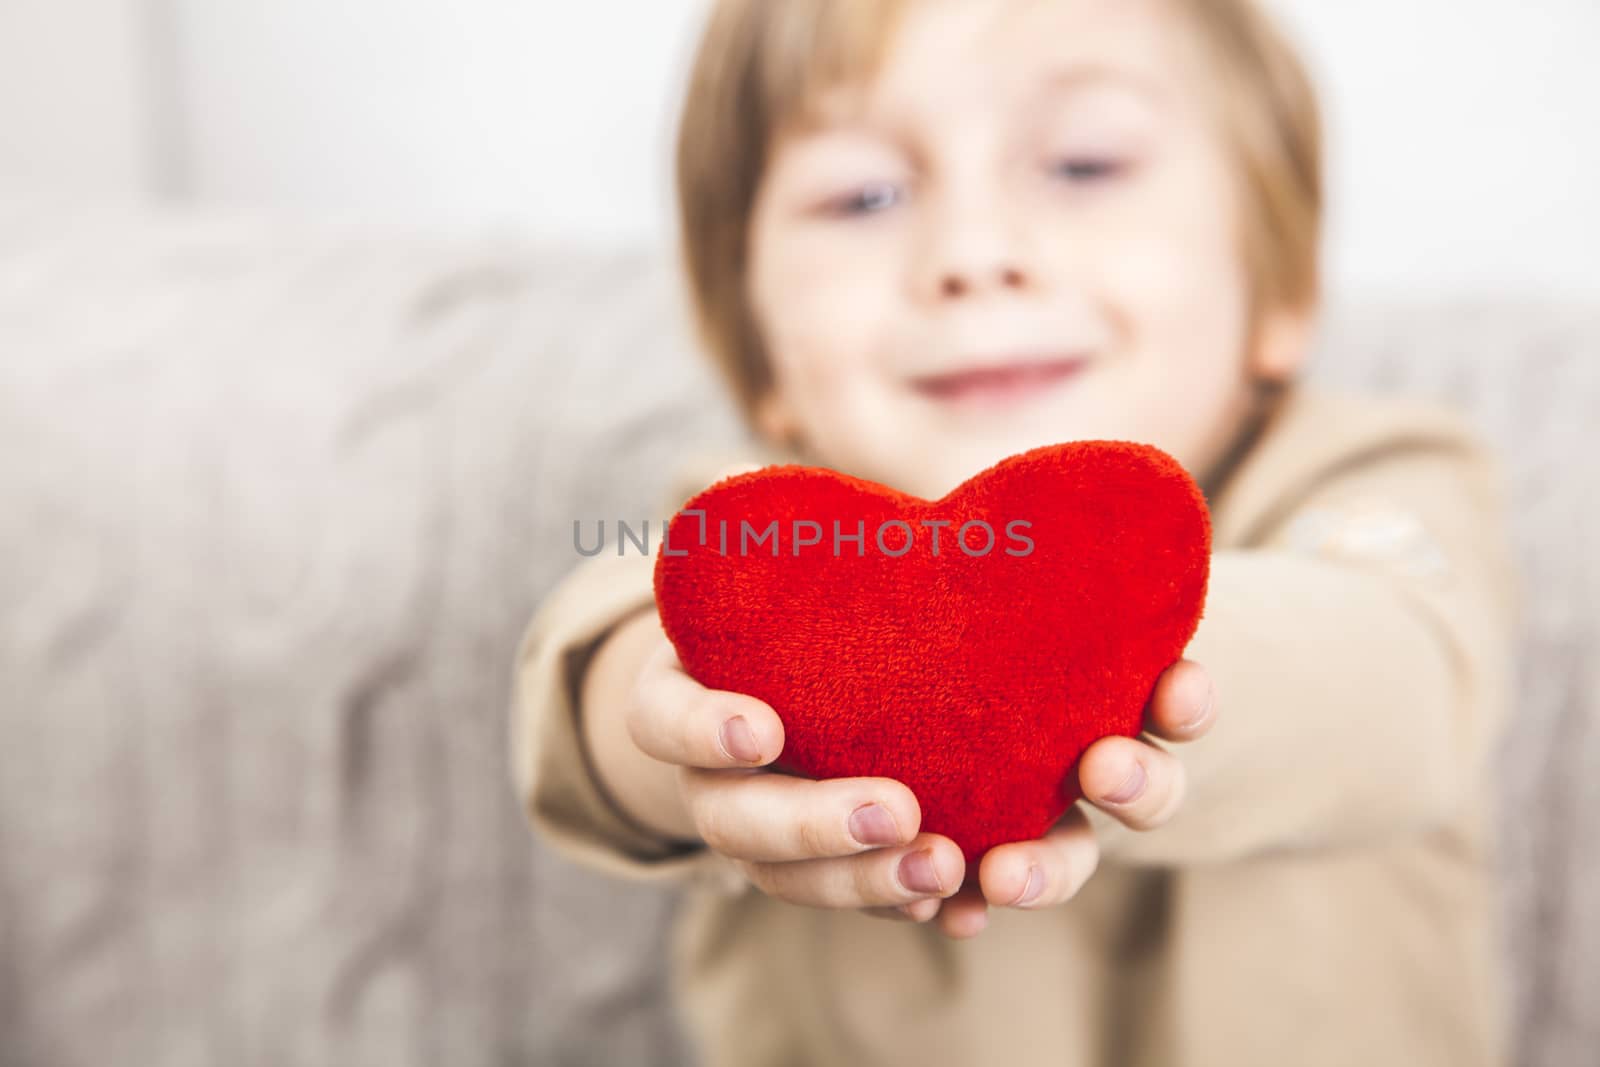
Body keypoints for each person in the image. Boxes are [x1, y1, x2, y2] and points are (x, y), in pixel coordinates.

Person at [511, 1, 1522, 1063]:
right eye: (863, 194)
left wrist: (1083, 655)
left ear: (1280, 286)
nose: (974, 251)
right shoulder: (758, 546)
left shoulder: (1374, 475)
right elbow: (597, 661)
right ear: (759, 352)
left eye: (1083, 166)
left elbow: (1405, 677)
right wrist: (685, 742)